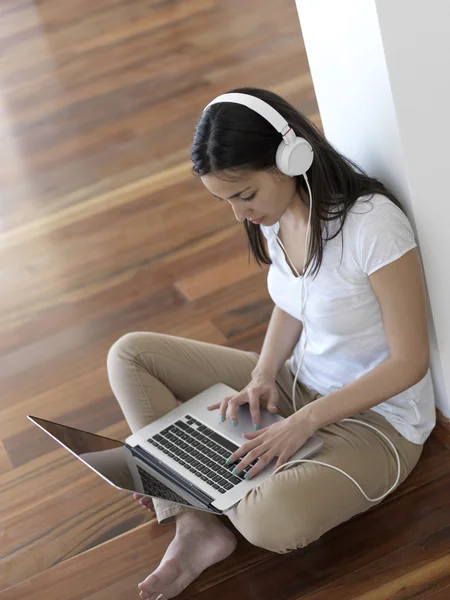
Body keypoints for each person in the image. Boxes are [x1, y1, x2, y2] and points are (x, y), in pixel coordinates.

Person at [107, 87, 435, 600]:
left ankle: (183, 481)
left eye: (245, 196)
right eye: (226, 201)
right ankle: (197, 520)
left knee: (270, 522)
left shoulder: (374, 227)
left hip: (378, 423)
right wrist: (262, 377)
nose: (240, 215)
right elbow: (292, 300)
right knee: (131, 354)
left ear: (291, 157)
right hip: (295, 382)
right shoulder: (277, 215)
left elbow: (410, 361)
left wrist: (304, 421)